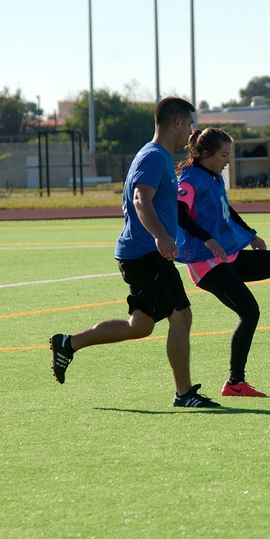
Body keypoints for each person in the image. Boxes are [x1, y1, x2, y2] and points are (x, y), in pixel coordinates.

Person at [50, 96, 219, 408]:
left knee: (139, 326)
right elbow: (141, 199)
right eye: (190, 124)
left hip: (138, 253)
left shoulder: (159, 156)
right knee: (181, 315)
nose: (191, 132)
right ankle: (184, 394)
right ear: (177, 122)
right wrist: (159, 236)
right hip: (145, 254)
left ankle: (68, 344)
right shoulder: (154, 156)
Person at [174, 127, 270, 397]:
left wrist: (250, 234)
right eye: (224, 155)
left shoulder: (214, 178)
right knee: (249, 312)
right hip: (206, 265)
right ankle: (235, 384)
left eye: (229, 155)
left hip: (229, 257)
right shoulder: (189, 180)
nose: (228, 160)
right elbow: (179, 212)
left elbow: (226, 210)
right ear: (204, 154)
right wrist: (207, 239)